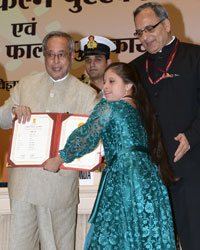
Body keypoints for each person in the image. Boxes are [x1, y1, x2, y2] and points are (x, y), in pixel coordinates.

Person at [44, 62, 177, 250]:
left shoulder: (109, 107)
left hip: (124, 177)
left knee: (113, 237)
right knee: (145, 237)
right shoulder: (142, 111)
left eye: (112, 81)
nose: (105, 86)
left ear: (129, 85)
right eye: (105, 81)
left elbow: (87, 136)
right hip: (149, 180)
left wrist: (59, 159)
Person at [0, 31, 97, 250]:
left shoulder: (86, 95)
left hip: (59, 189)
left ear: (72, 56)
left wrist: (63, 157)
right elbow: (2, 118)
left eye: (61, 55)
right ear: (44, 56)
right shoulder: (25, 85)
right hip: (23, 188)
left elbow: (92, 139)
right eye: (50, 55)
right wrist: (13, 111)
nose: (55, 61)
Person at [129, 2, 200, 250]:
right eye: (139, 32)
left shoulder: (196, 57)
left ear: (166, 24)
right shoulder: (134, 69)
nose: (145, 37)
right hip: (152, 174)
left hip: (192, 169)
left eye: (150, 28)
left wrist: (192, 136)